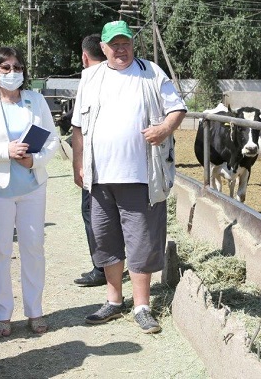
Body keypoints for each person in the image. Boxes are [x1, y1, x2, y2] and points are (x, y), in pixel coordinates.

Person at [71, 20, 186, 333]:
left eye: (125, 43)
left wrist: (164, 128)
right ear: (104, 48)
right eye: (114, 44)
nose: (120, 49)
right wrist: (77, 164)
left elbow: (177, 108)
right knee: (105, 236)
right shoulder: (90, 77)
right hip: (100, 176)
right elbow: (78, 127)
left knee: (141, 241)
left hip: (141, 175)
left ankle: (142, 305)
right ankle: (113, 299)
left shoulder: (150, 73)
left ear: (133, 45)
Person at [0, 47, 59, 337]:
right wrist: (5, 151)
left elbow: (53, 140)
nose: (11, 73)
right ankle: (2, 313)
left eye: (17, 67)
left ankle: (35, 310)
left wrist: (35, 160)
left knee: (33, 248)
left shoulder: (36, 100)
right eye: (5, 68)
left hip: (33, 186)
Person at [73, 34, 108, 287]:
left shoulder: (88, 77)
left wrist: (78, 166)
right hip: (122, 163)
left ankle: (101, 267)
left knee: (92, 212)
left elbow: (78, 126)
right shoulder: (124, 75)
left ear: (85, 57)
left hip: (96, 162)